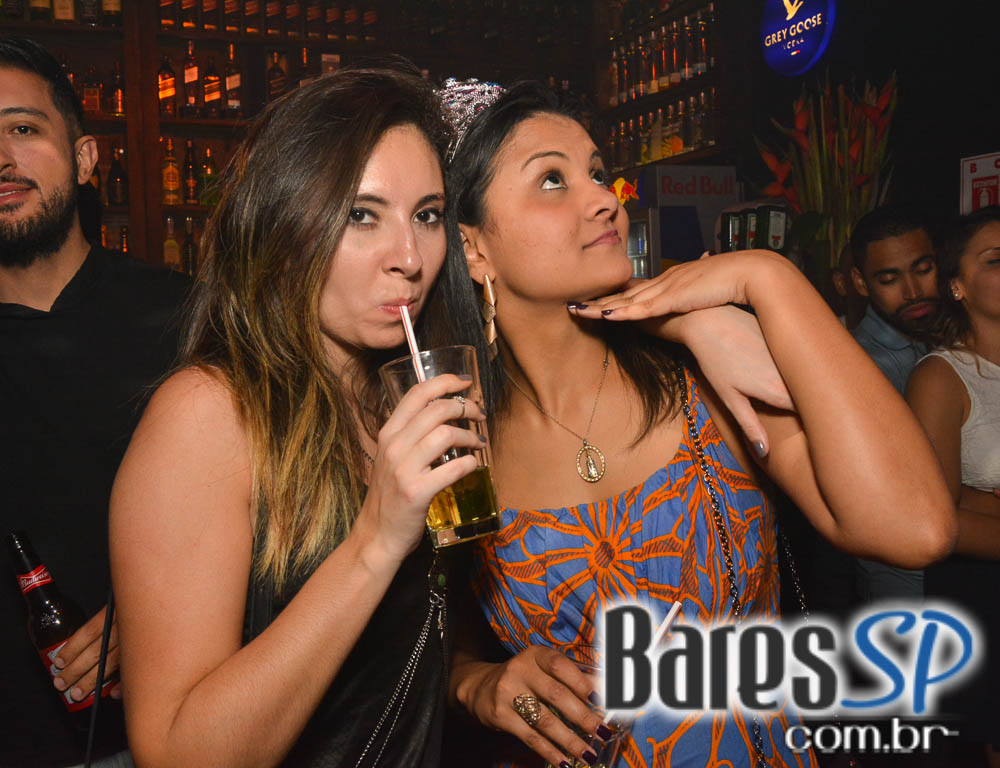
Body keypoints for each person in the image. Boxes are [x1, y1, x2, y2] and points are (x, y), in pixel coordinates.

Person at [438, 82, 955, 768]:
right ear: (473, 248)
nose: (604, 199)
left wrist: (765, 279)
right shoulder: (458, 441)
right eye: (553, 180)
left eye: (597, 173)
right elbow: (433, 635)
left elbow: (918, 528)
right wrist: (475, 683)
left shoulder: (705, 379)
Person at [107, 67, 497, 768]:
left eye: (427, 215)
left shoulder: (397, 397)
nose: (410, 258)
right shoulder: (209, 415)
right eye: (362, 215)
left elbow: (407, 650)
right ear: (286, 222)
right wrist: (374, 543)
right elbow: (175, 752)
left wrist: (479, 680)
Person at [0, 36, 190, 768]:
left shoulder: (188, 319)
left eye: (23, 128)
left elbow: (279, 517)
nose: (2, 158)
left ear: (84, 158)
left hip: (162, 735)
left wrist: (157, 621)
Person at [905, 206, 1000, 767]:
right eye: (996, 260)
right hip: (983, 596)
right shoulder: (942, 378)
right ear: (956, 286)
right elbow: (937, 519)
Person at [847, 205, 941, 601]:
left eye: (924, 269)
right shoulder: (859, 366)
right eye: (889, 279)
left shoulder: (946, 335)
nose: (913, 291)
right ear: (860, 282)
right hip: (902, 580)